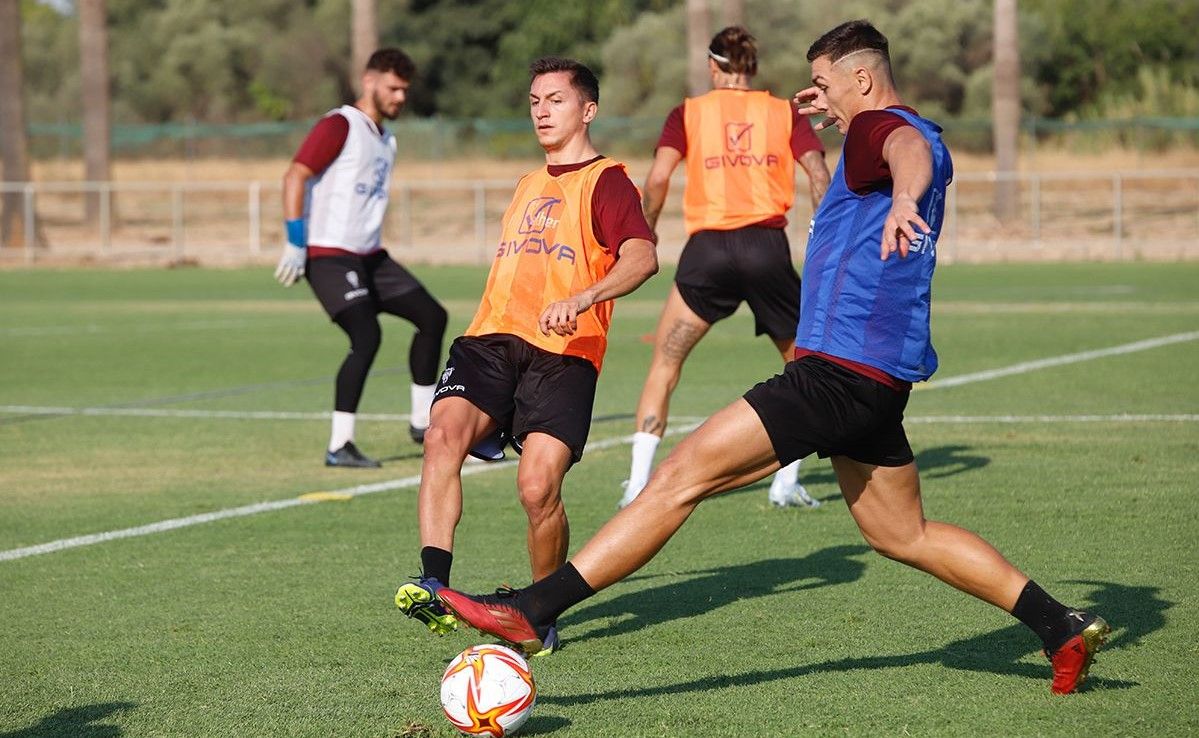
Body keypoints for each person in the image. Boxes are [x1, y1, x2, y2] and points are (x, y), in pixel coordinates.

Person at [433, 21, 1110, 696]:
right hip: (876, 381)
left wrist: (901, 191)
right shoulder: (891, 132)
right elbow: (905, 144)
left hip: (834, 375)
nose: (815, 99)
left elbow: (902, 148)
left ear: (864, 80)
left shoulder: (885, 130)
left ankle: (533, 608)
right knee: (902, 535)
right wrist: (847, 123)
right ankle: (1058, 625)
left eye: (823, 85)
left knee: (679, 478)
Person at [393, 56, 659, 655]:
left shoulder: (608, 182)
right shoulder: (525, 183)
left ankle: (538, 611)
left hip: (565, 353)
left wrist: (587, 295)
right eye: (535, 100)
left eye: (555, 100)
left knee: (538, 488)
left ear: (587, 109)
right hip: (491, 339)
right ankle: (434, 581)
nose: (541, 110)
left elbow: (642, 256)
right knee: (441, 438)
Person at [622, 25, 831, 510]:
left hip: (707, 252)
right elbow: (819, 174)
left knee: (665, 364)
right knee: (805, 366)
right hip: (766, 248)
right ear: (752, 67)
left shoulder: (688, 112)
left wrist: (644, 232)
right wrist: (824, 240)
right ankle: (785, 481)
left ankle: (636, 486)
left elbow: (656, 179)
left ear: (713, 67)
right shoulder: (782, 111)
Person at [275, 48, 448, 468]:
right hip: (330, 255)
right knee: (367, 335)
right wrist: (296, 241)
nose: (400, 97)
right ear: (369, 81)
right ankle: (339, 445)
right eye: (393, 88)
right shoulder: (340, 125)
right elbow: (296, 175)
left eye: (405, 90)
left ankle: (423, 422)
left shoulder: (386, 139)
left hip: (371, 257)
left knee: (432, 317)